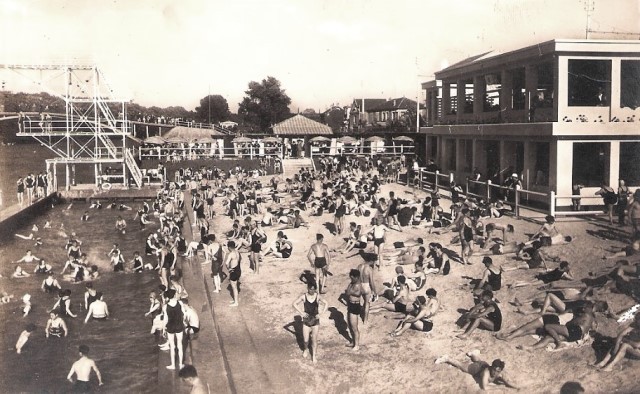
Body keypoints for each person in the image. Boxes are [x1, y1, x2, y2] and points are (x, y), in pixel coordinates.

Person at [434, 353, 518, 391]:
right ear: (492, 367)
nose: (495, 373)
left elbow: (508, 382)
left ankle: (472, 354)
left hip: (483, 364)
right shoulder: (486, 373)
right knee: (461, 366)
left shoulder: (501, 373)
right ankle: (446, 358)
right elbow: (484, 387)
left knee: (479, 360)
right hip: (476, 369)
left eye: (497, 371)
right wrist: (500, 387)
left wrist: (516, 387)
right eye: (494, 370)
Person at [292, 282, 328, 363]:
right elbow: (294, 303)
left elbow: (326, 303)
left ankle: (314, 356)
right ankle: (305, 349)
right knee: (305, 340)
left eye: (313, 289)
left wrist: (321, 314)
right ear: (307, 288)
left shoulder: (317, 296)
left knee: (314, 340)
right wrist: (301, 312)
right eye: (310, 289)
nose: (311, 291)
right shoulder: (304, 297)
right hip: (306, 320)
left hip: (315, 320)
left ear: (315, 289)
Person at [342, 269, 370, 351]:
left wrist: (351, 292)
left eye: (352, 278)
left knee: (354, 327)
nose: (351, 279)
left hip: (355, 305)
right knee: (350, 325)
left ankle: (357, 345)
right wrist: (351, 292)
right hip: (351, 304)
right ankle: (353, 342)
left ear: (356, 277)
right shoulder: (352, 283)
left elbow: (360, 292)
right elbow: (348, 292)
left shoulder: (358, 285)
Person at [162, 289, 186, 370]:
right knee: (180, 345)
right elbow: (184, 314)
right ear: (174, 295)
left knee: (172, 346)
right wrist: (183, 322)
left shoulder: (165, 307)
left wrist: (163, 329)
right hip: (179, 326)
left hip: (170, 327)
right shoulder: (180, 303)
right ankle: (181, 364)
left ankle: (173, 365)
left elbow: (165, 319)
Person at [224, 241, 241, 307]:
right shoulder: (237, 252)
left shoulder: (231, 254)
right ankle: (235, 299)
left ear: (229, 247)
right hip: (238, 270)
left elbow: (226, 263)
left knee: (234, 287)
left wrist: (229, 269)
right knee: (235, 286)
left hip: (233, 271)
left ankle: (236, 302)